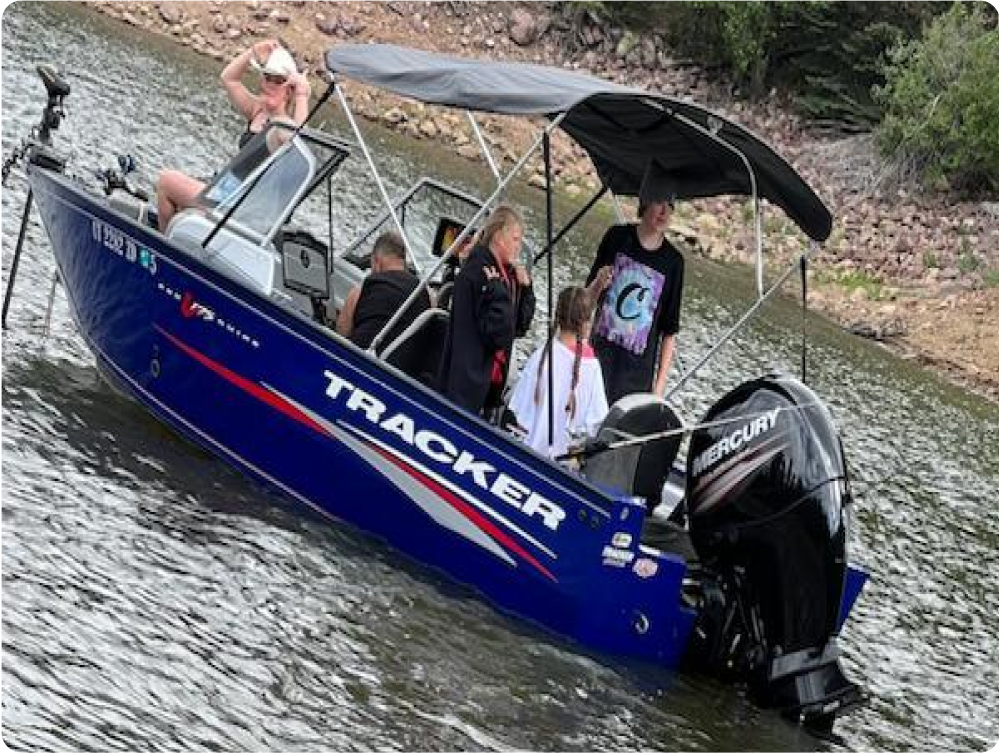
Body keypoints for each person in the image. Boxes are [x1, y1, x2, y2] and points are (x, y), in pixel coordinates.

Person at [155, 40, 311, 232]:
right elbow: (228, 78)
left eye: (278, 81)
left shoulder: (283, 125)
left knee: (165, 181)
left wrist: (302, 95)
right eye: (267, 78)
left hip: (239, 205)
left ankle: (163, 244)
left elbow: (300, 142)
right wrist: (253, 52)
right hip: (226, 192)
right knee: (176, 194)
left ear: (289, 90)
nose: (269, 85)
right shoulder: (257, 111)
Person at [585, 161, 685, 404]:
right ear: (645, 202)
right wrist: (599, 283)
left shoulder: (674, 262)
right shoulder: (616, 237)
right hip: (597, 361)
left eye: (670, 206)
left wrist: (658, 391)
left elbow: (669, 332)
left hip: (636, 380)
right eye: (659, 202)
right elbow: (585, 301)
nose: (664, 212)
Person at [438, 205, 535, 417]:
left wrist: (526, 289)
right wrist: (498, 292)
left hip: (487, 388)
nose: (519, 247)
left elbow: (518, 327)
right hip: (466, 383)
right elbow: (497, 334)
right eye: (516, 239)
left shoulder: (506, 276)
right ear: (499, 237)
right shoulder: (480, 272)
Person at [508, 286, 609, 459]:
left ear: (557, 315)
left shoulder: (542, 356)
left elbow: (519, 413)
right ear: (587, 323)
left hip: (527, 454)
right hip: (562, 464)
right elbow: (597, 425)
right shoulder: (592, 367)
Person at [336, 231, 431, 350]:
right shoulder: (424, 295)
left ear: (376, 262)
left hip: (357, 359)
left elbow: (341, 334)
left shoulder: (361, 290)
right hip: (397, 367)